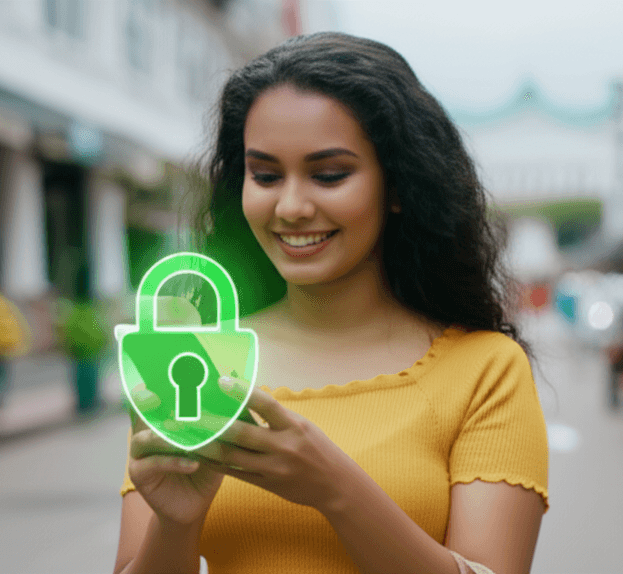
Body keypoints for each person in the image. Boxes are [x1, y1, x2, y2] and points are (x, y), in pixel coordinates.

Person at [114, 32, 549, 574]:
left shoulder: (484, 369)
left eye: (329, 174)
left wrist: (336, 491)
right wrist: (175, 525)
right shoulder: (193, 359)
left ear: (397, 185)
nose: (292, 206)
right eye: (266, 175)